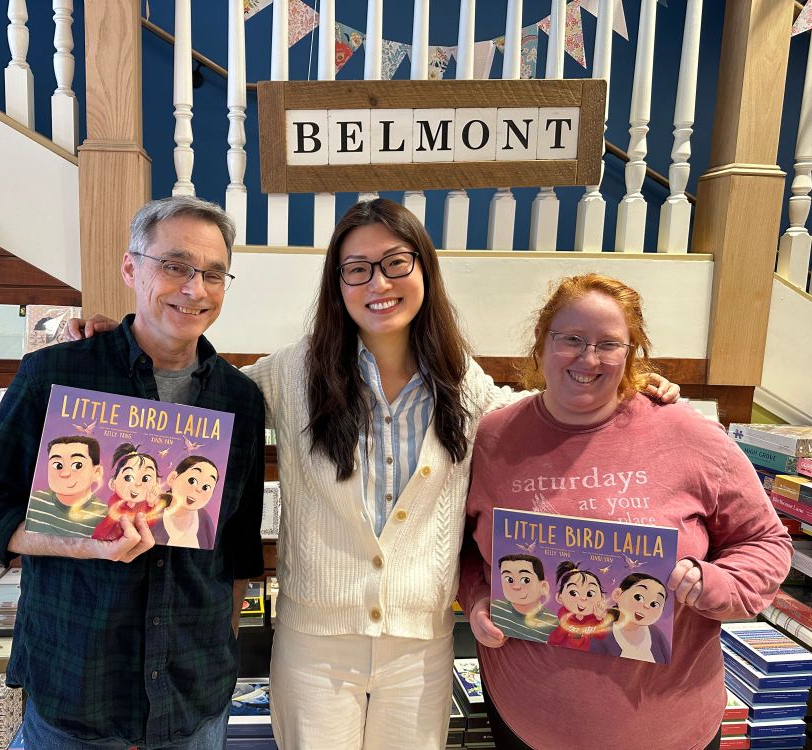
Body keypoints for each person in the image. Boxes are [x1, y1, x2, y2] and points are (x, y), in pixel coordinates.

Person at [70, 200, 681, 750]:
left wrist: (623, 393)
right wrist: (114, 340)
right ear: (337, 285)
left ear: (424, 271)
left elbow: (544, 417)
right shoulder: (291, 374)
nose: (378, 282)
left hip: (421, 648)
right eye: (356, 268)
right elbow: (192, 405)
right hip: (315, 646)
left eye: (395, 263)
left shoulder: (463, 385)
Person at [0, 196, 266, 749]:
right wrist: (79, 543)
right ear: (130, 267)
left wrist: (224, 639)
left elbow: (237, 546)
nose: (194, 288)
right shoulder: (58, 373)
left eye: (213, 274)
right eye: (174, 266)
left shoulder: (237, 398)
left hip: (193, 695)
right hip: (76, 691)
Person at [459, 272, 792, 750]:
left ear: (631, 353)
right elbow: (464, 548)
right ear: (541, 343)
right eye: (570, 339)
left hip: (670, 727)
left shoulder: (687, 434)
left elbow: (766, 542)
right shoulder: (493, 438)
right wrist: (476, 600)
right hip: (525, 719)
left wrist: (712, 584)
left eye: (608, 344)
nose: (588, 358)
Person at [27, 435, 108, 537]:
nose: (65, 473)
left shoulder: (106, 516)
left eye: (77, 465)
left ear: (97, 472)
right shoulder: (34, 502)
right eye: (58, 465)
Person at [590, 572, 671, 663]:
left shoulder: (655, 634)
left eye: (654, 604)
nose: (646, 606)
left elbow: (666, 660)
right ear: (617, 594)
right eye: (638, 597)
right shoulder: (602, 633)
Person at [91, 443, 163, 542]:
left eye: (146, 478)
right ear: (113, 483)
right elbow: (116, 514)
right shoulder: (116, 500)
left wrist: (150, 504)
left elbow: (150, 523)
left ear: (157, 483)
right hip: (107, 537)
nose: (138, 483)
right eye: (128, 477)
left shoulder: (148, 505)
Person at [153, 455, 220, 549]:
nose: (198, 490)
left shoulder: (204, 518)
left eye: (206, 487)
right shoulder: (154, 515)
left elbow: (211, 544)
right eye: (192, 481)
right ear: (172, 478)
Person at [491, 555, 557, 643]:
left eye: (525, 580)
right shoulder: (495, 609)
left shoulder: (554, 623)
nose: (516, 587)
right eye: (509, 579)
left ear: (543, 587)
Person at [545, 561, 610, 651]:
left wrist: (599, 618)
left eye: (590, 593)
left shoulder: (592, 619)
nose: (583, 598)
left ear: (602, 597)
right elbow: (555, 637)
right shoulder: (565, 615)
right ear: (559, 597)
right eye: (573, 592)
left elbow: (601, 636)